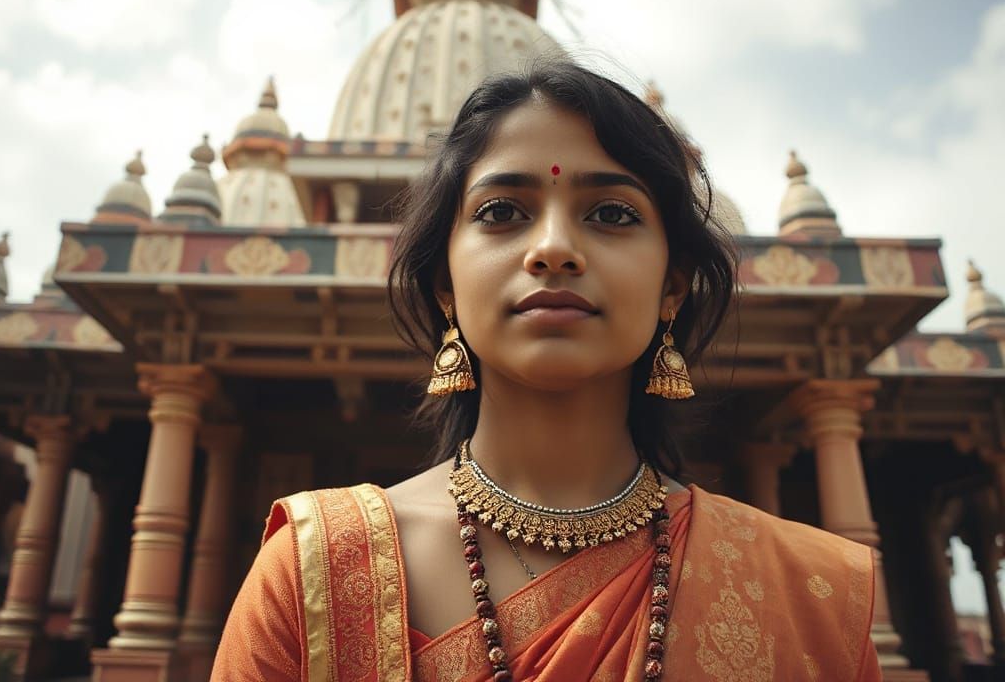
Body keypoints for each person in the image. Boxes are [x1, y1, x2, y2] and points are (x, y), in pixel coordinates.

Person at [210, 60, 880, 681]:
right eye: (502, 212)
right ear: (446, 283)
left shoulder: (807, 589)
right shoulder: (312, 571)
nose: (554, 248)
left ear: (672, 286)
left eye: (611, 214)